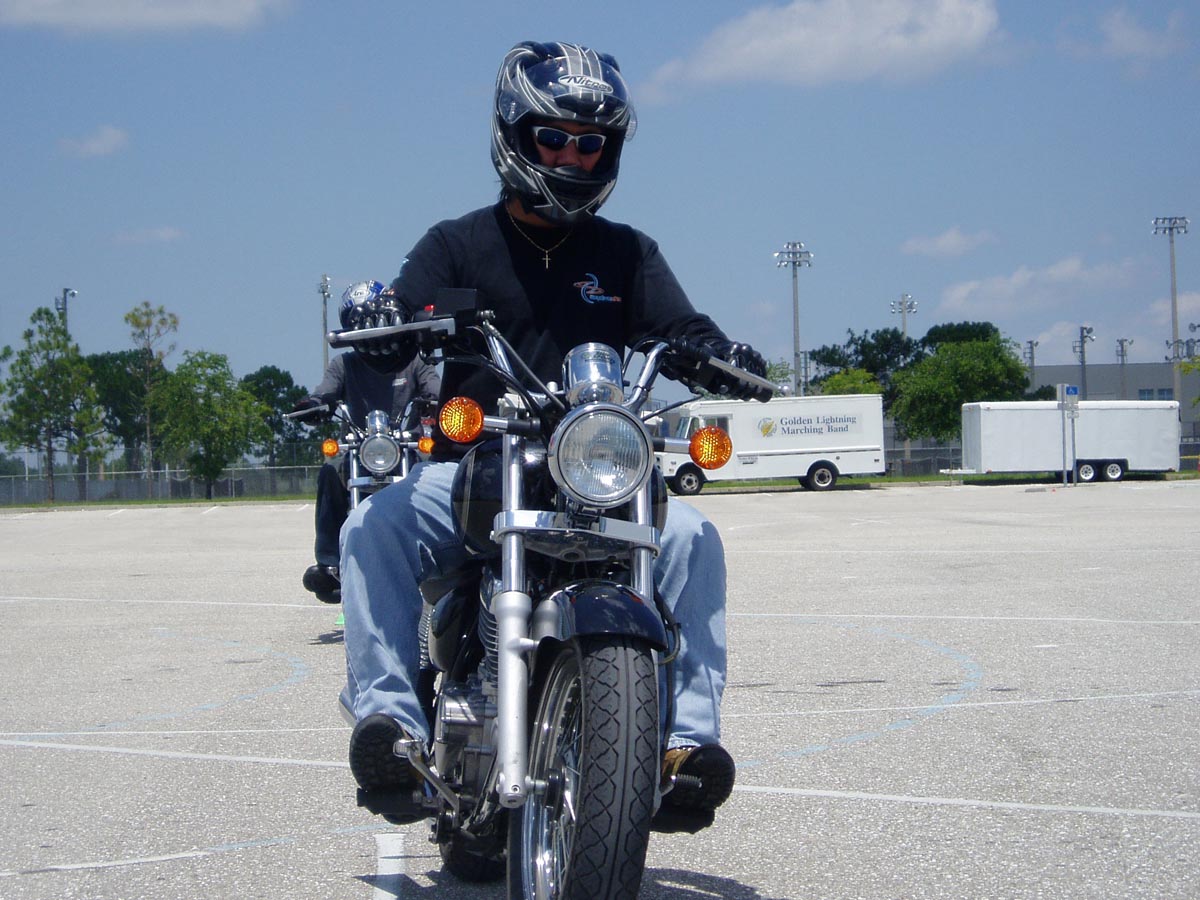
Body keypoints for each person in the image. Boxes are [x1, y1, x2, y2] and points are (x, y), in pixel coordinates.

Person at [339, 41, 766, 830]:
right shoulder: (456, 244)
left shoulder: (626, 253)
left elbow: (684, 327)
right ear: (513, 135)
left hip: (591, 468)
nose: (572, 155)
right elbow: (403, 306)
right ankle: (391, 721)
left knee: (693, 538)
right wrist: (387, 323)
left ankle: (684, 744)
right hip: (476, 468)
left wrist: (719, 353)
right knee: (373, 525)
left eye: (590, 142)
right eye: (554, 137)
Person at [292, 280, 440, 601]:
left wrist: (435, 400)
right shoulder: (344, 364)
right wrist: (313, 404)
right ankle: (330, 563)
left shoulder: (414, 360)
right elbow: (325, 391)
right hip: (359, 449)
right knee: (330, 471)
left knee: (439, 474)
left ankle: (443, 553)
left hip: (408, 448)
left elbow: (435, 388)